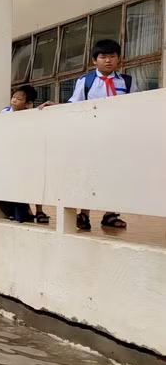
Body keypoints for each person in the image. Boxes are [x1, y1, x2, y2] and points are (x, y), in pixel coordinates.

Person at [44, 39, 137, 231]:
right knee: (89, 174)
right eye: (103, 57)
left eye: (112, 56)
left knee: (114, 174)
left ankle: (111, 214)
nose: (108, 61)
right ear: (95, 60)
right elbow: (74, 104)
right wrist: (56, 106)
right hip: (90, 136)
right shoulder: (85, 81)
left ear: (119, 59)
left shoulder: (126, 81)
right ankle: (84, 215)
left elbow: (134, 105)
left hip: (117, 136)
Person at [0, 85, 53, 224]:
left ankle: (34, 212)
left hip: (26, 156)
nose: (14, 100)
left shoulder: (31, 114)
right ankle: (19, 213)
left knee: (29, 185)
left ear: (28, 103)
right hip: (9, 155)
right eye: (14, 97)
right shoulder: (4, 112)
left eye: (19, 99)